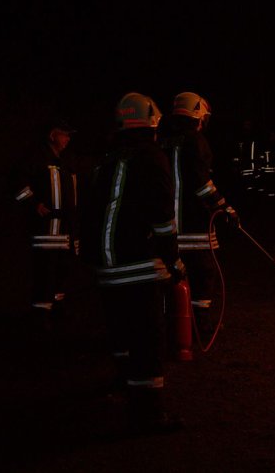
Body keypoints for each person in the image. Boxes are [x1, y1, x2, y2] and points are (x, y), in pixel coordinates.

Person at [81, 92, 186, 434]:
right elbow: (163, 218)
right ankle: (148, 413)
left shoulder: (106, 160)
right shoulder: (152, 158)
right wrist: (174, 260)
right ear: (153, 123)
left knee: (121, 334)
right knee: (147, 339)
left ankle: (124, 386)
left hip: (105, 269)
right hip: (139, 267)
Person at [160, 91, 238, 339]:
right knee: (204, 273)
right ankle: (199, 325)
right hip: (193, 224)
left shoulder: (164, 142)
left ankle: (174, 323)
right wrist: (224, 207)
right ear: (199, 115)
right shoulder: (196, 141)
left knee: (173, 275)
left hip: (167, 225)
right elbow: (202, 184)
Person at [9, 116, 79, 324]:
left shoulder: (65, 162)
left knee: (62, 271)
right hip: (45, 230)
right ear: (52, 135)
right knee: (44, 272)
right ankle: (41, 314)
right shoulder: (36, 158)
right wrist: (33, 204)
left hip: (65, 231)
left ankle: (57, 309)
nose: (67, 139)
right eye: (64, 134)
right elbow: (17, 184)